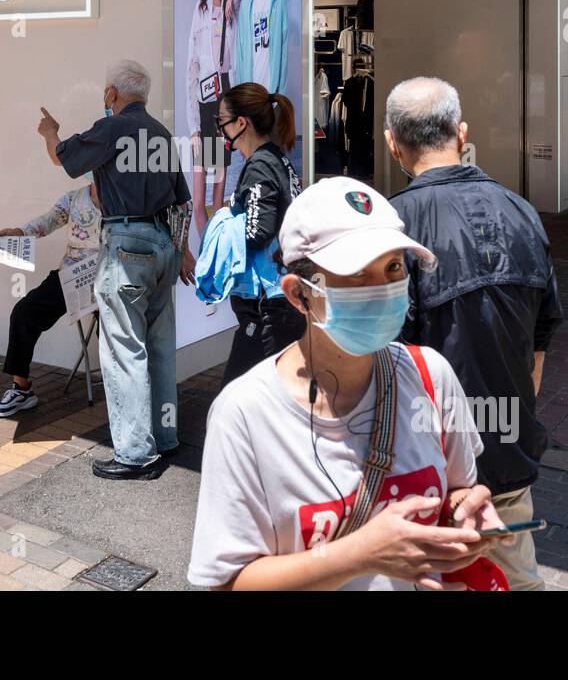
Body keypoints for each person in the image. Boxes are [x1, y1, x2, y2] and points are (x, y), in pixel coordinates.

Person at [188, 177, 511, 591]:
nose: (383, 287)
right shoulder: (244, 414)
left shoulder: (431, 375)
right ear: (298, 295)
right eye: (355, 273)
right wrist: (358, 554)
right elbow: (227, 582)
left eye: (393, 267)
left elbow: (460, 490)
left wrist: (470, 513)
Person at [384, 77, 562, 591]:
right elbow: (542, 331)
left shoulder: (394, 225)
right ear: (462, 133)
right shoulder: (522, 211)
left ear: (393, 142)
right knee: (516, 575)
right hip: (509, 456)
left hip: (426, 467)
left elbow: (389, 354)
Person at [37, 60, 195, 480]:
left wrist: (50, 131)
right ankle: (165, 436)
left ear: (112, 94)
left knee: (125, 349)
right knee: (159, 346)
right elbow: (183, 199)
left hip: (127, 245)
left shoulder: (111, 129)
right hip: (163, 245)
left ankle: (134, 452)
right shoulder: (161, 135)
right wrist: (183, 251)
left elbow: (62, 158)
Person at [207, 82, 306, 386]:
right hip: (282, 299)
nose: (220, 129)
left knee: (233, 401)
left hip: (268, 306)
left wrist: (224, 220)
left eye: (221, 121)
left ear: (241, 123)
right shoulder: (276, 159)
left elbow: (257, 230)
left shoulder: (261, 165)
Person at [0, 181, 102, 417]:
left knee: (116, 331)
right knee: (24, 312)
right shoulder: (74, 199)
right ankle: (21, 389)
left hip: (108, 280)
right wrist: (19, 232)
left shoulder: (126, 199)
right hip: (72, 276)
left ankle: (122, 392)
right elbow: (48, 220)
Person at [185, 0, 237, 240]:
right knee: (198, 196)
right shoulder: (201, 7)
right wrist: (193, 127)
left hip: (225, 103)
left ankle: (217, 254)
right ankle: (207, 253)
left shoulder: (232, 6)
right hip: (204, 105)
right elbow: (191, 66)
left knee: (218, 198)